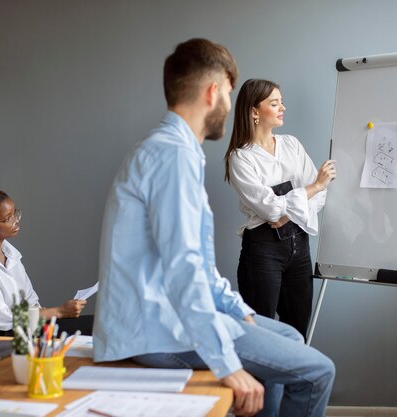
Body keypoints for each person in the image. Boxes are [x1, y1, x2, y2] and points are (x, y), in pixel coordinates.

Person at [94, 38, 335, 417]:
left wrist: (236, 309)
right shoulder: (172, 156)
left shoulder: (174, 150)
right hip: (154, 332)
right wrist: (227, 364)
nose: (228, 102)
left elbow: (199, 268)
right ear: (212, 91)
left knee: (289, 336)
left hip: (160, 320)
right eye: (227, 92)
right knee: (317, 371)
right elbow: (184, 271)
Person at [224, 79, 337, 338]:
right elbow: (271, 209)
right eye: (274, 103)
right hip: (263, 251)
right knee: (262, 334)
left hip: (300, 248)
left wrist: (289, 213)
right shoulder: (240, 157)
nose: (282, 107)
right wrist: (313, 187)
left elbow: (320, 196)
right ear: (254, 111)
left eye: (281, 102)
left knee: (298, 332)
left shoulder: (292, 145)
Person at [0, 185, 91, 336]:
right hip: (5, 334)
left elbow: (30, 300)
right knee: (91, 328)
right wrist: (59, 311)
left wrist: (49, 314)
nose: (16, 221)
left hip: (28, 325)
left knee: (94, 323)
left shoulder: (10, 253)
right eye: (7, 219)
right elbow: (0, 318)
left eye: (15, 214)